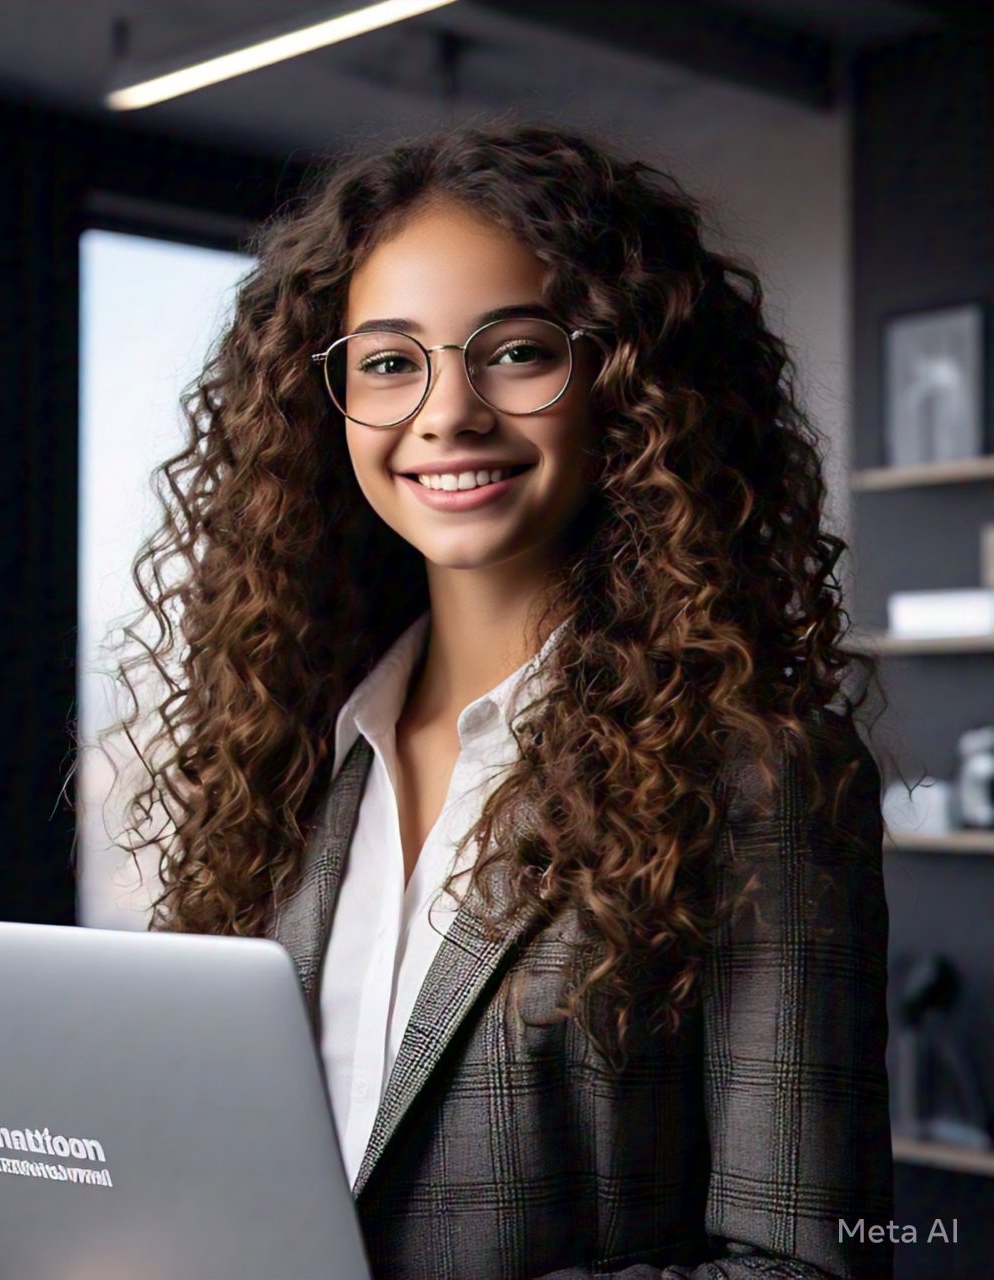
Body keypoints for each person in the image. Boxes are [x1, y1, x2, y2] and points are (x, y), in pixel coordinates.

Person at [102, 120, 896, 1279]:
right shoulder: (280, 753)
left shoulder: (754, 769)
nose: (445, 413)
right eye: (387, 361)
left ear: (631, 386)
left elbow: (803, 1263)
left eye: (515, 352)